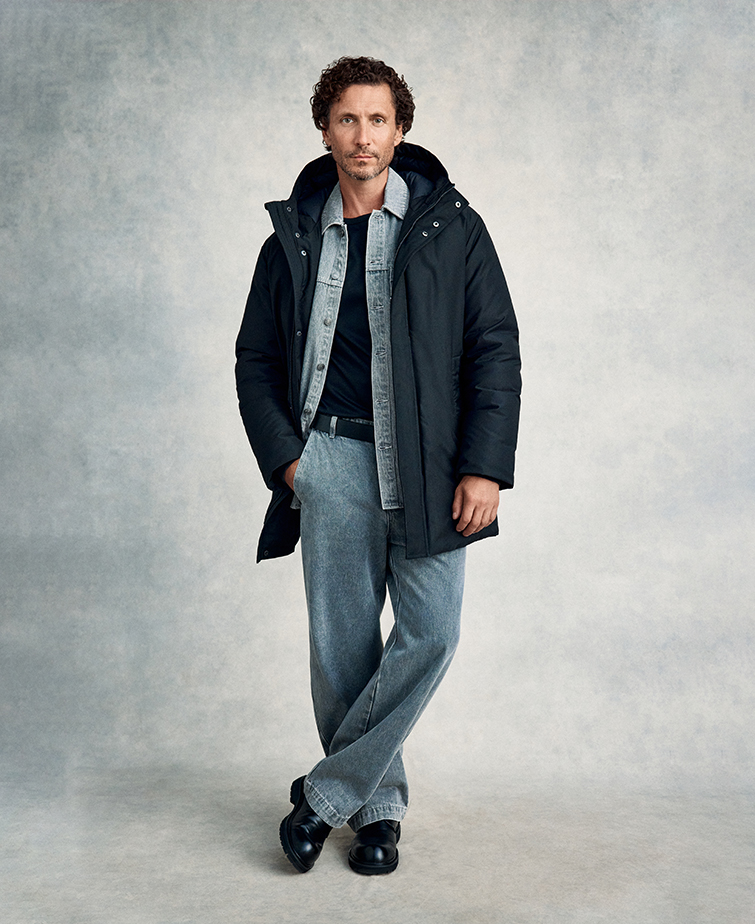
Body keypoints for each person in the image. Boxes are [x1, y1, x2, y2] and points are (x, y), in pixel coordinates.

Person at [235, 56, 521, 875]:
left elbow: (493, 349)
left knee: (431, 633)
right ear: (324, 129)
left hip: (431, 466)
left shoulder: (452, 227)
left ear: (401, 130)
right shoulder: (291, 239)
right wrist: (290, 463)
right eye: (347, 119)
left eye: (378, 119)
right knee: (343, 649)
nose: (363, 136)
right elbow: (255, 359)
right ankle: (378, 812)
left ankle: (324, 796)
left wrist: (484, 467)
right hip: (329, 459)